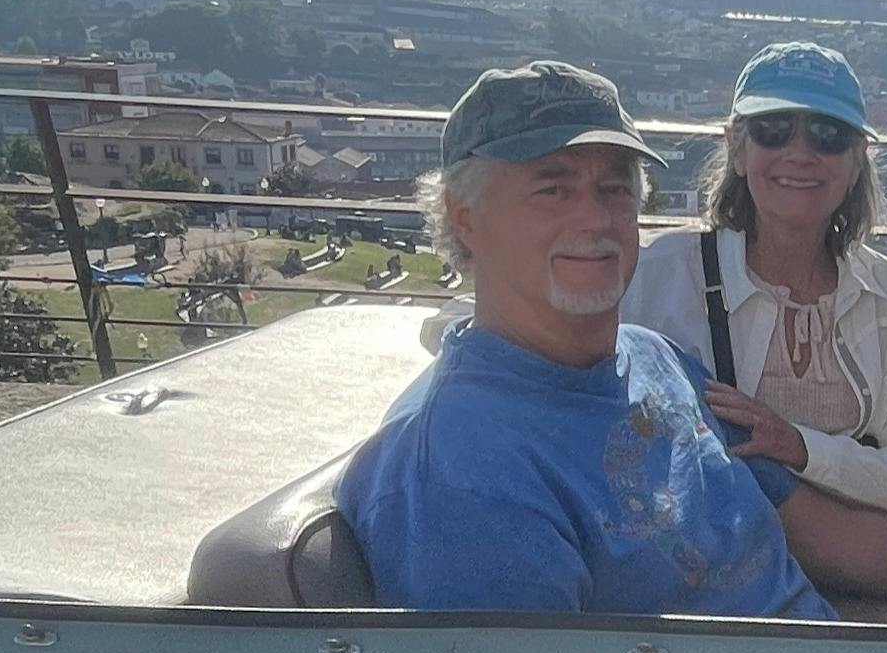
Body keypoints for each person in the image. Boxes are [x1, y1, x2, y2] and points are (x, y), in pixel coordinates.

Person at [337, 60, 838, 618]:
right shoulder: (463, 475)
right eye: (553, 189)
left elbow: (825, 534)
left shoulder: (656, 356)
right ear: (465, 218)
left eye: (614, 189)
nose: (595, 219)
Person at [634, 40, 887, 541]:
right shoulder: (657, 276)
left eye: (828, 135)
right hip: (715, 544)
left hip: (862, 538)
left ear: (858, 159)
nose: (799, 153)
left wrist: (798, 446)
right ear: (737, 147)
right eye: (773, 130)